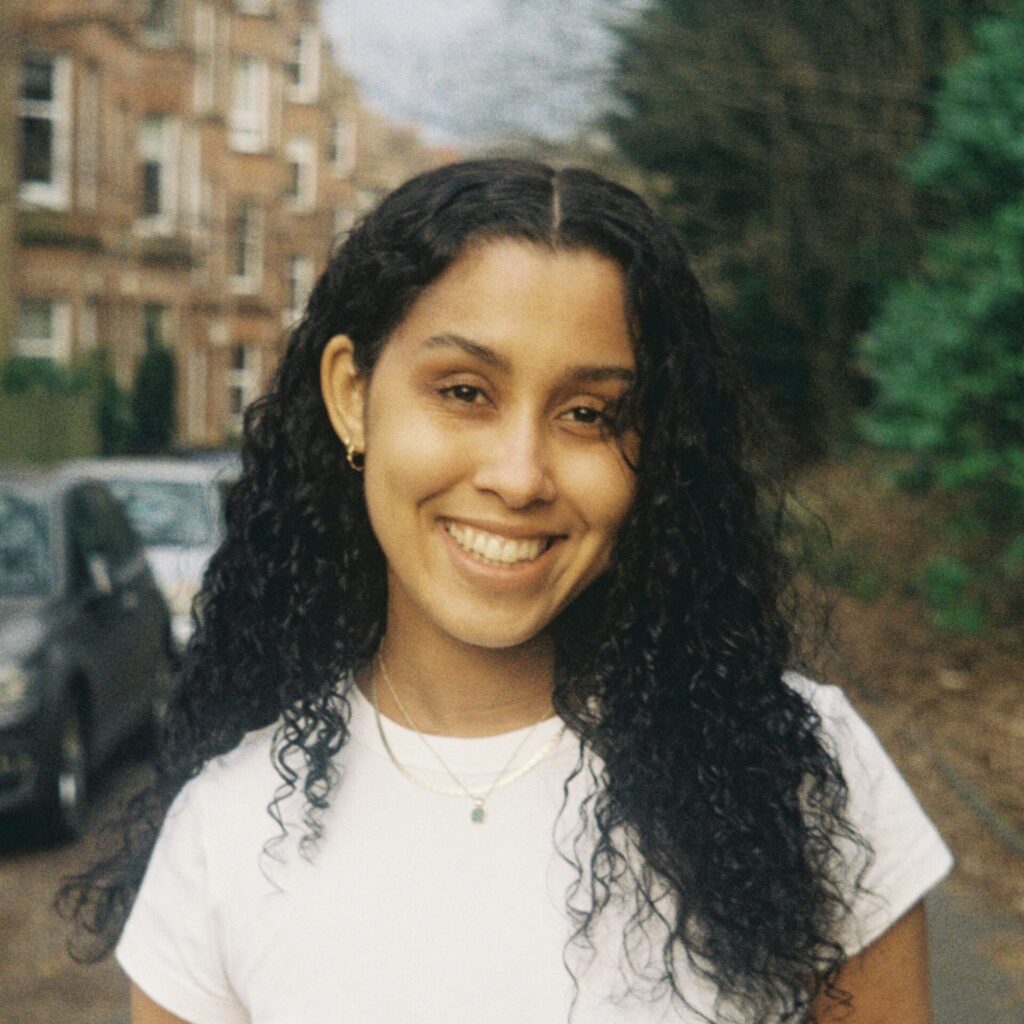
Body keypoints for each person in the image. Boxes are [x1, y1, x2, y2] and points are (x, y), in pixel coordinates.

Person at [60, 159, 952, 1024]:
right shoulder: (223, 834)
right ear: (352, 398)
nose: (520, 476)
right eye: (464, 391)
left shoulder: (798, 771)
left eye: (590, 414)